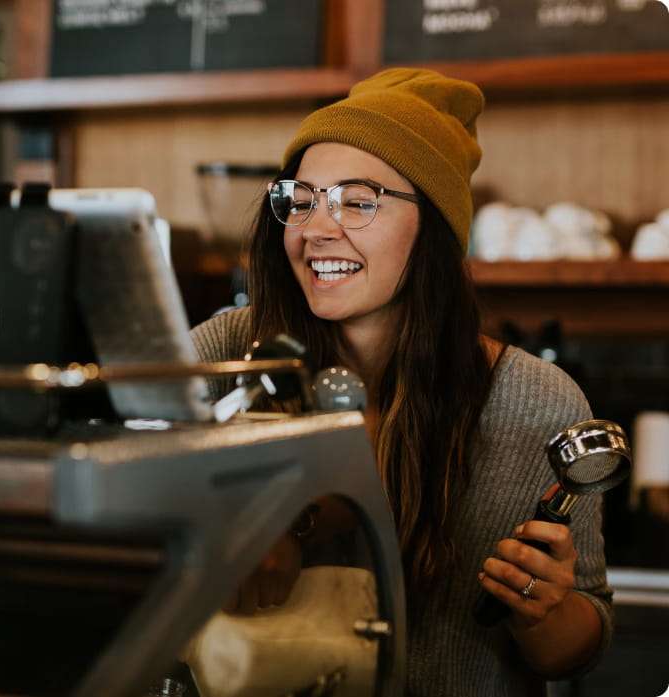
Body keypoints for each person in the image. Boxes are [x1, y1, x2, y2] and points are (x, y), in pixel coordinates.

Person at [190, 68, 612, 697]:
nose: (314, 229)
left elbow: (578, 648)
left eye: (358, 201)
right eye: (300, 200)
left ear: (433, 228)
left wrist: (543, 610)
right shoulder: (222, 356)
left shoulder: (533, 400)